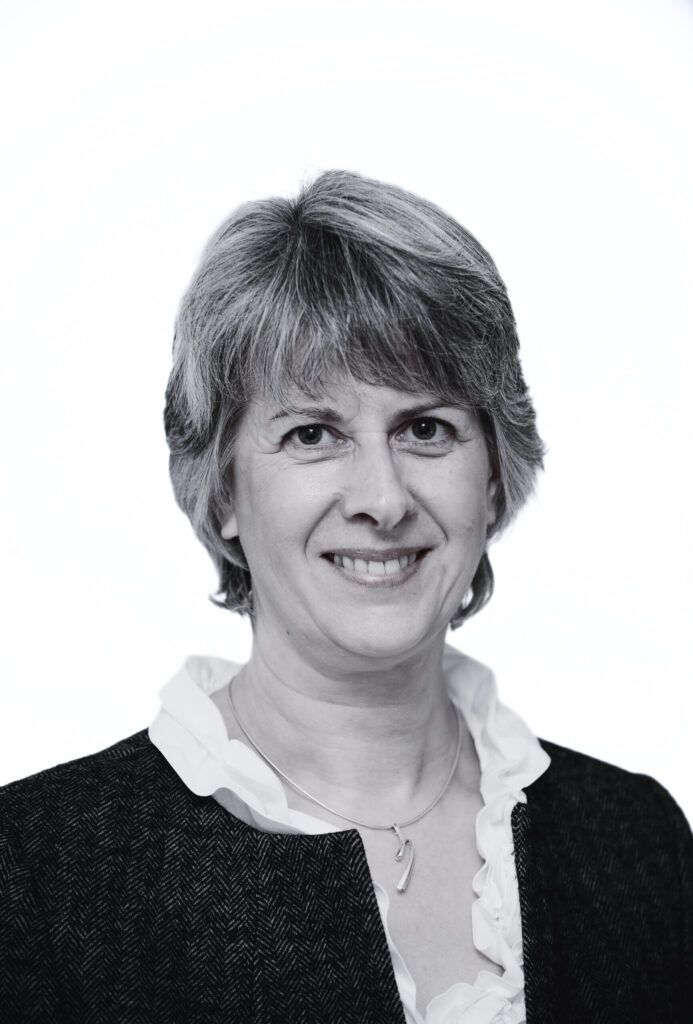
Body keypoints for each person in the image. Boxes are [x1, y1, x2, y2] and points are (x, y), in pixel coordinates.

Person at [1, 171, 691, 1024]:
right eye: (312, 434)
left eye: (425, 428)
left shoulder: (638, 840)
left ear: (491, 477)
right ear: (221, 489)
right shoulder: (38, 871)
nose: (383, 499)